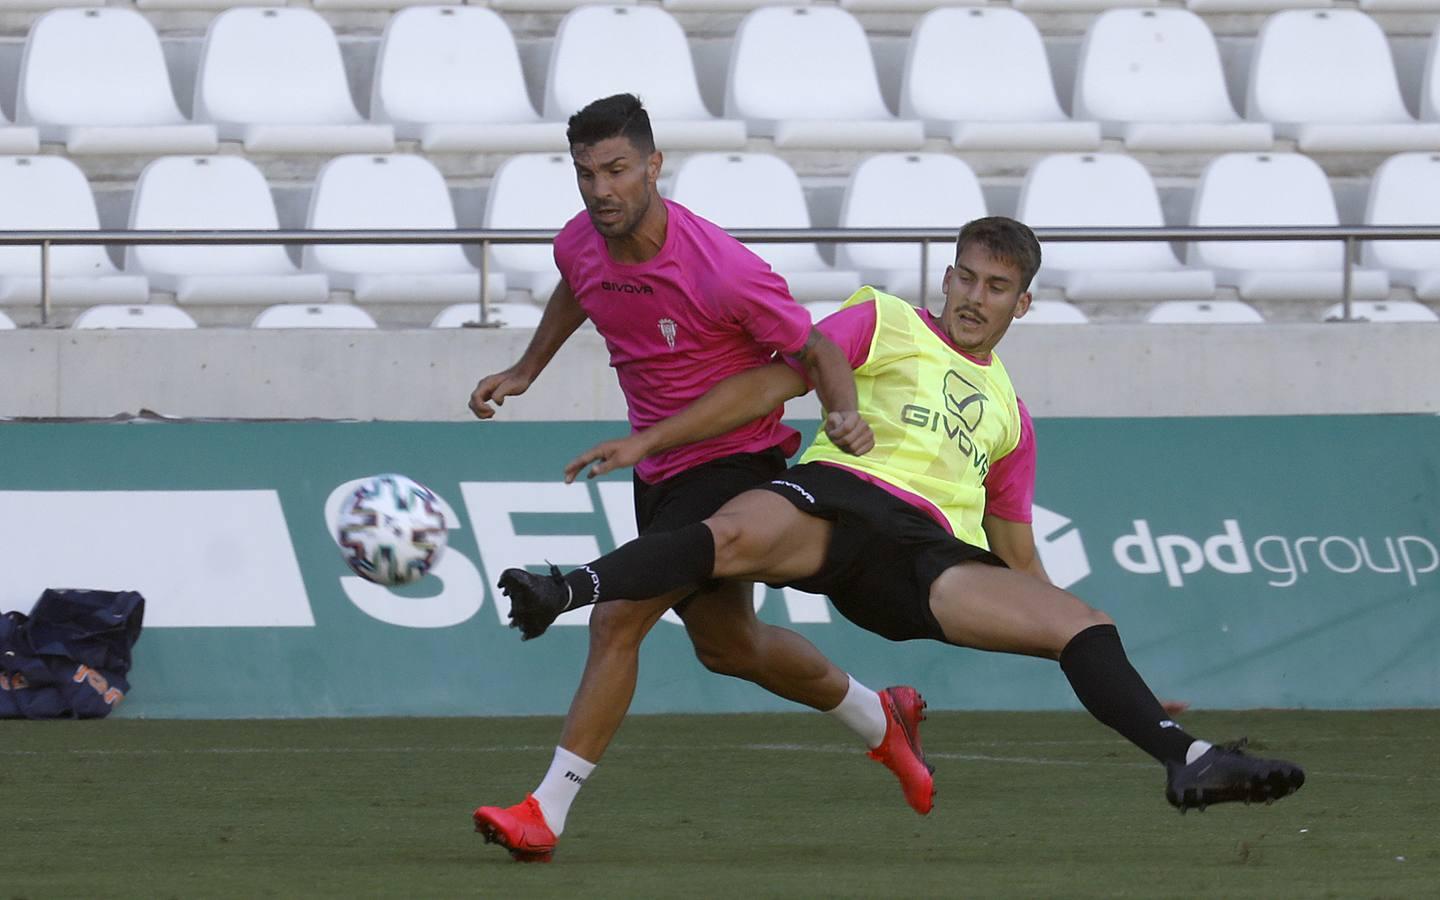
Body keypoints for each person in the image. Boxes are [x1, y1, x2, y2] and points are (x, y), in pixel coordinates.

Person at [499, 216, 1307, 823]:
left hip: (926, 561)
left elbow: (1019, 555)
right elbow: (776, 382)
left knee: (1081, 620)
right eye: (964, 280)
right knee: (731, 536)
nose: (973, 298)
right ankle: (562, 590)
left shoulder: (1012, 418)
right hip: (839, 502)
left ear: (1022, 304)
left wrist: (1129, 685)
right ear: (946, 280)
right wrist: (655, 439)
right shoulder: (882, 320)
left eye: (995, 288)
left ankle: (1187, 759)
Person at [469, 94, 933, 864]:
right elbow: (577, 285)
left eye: (617, 169)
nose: (601, 189)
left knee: (617, 619)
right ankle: (880, 719)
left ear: (654, 166)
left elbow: (815, 349)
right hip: (658, 468)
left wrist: (843, 414)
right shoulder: (581, 242)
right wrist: (525, 368)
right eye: (586, 173)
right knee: (729, 646)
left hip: (734, 462)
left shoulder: (720, 267)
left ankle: (544, 811)